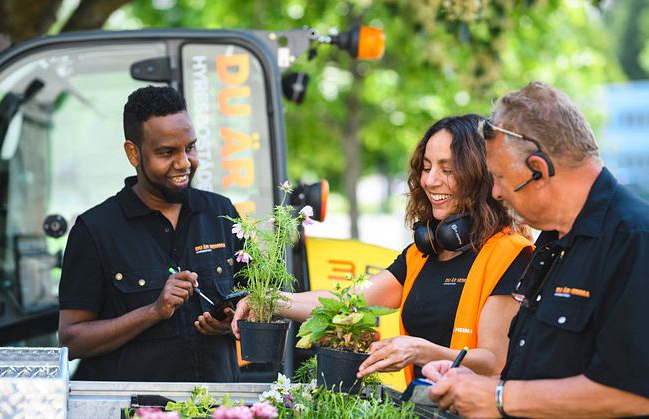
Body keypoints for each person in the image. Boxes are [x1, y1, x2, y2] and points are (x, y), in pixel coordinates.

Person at [232, 114, 533, 383]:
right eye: (426, 168)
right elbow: (348, 300)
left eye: (448, 170)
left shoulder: (510, 254)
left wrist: (421, 351)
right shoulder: (421, 254)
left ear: (480, 177)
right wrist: (270, 300)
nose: (430, 181)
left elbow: (494, 363)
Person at [425, 82, 649, 418]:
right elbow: (545, 370)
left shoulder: (634, 238)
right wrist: (473, 385)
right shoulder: (551, 241)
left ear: (539, 170)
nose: (496, 192)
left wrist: (500, 397)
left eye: (499, 176)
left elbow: (635, 393)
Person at [58, 85, 243, 382]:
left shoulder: (221, 213)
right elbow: (72, 339)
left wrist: (232, 321)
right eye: (167, 152)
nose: (184, 163)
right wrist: (154, 311)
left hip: (217, 407)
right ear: (133, 153)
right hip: (133, 411)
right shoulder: (95, 230)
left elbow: (258, 306)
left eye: (190, 148)